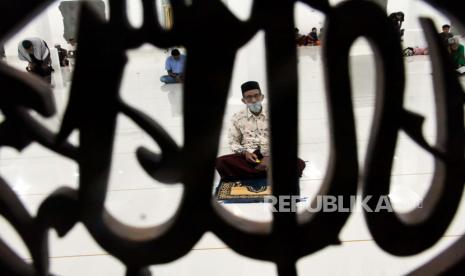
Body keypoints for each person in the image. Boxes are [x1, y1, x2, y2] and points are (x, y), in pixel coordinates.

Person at [215, 81, 306, 182]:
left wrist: (268, 156)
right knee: (220, 162)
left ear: (262, 97)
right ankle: (267, 173)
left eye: (256, 96)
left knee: (299, 163)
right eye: (249, 97)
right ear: (243, 100)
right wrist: (245, 153)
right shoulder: (237, 117)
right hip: (249, 158)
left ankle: (252, 174)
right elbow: (233, 142)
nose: (253, 100)